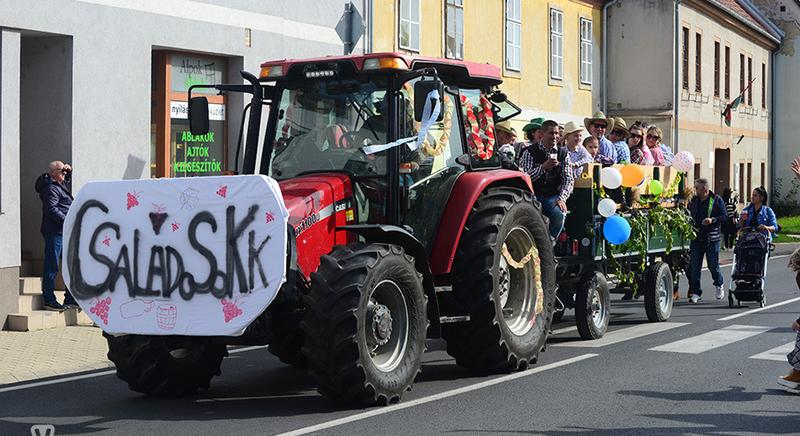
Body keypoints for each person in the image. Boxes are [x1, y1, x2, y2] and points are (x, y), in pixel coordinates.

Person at [518, 120, 574, 240]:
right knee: (529, 217)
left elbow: (568, 179)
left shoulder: (563, 153)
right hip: (532, 196)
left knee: (559, 213)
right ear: (542, 134)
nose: (554, 136)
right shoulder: (529, 152)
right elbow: (524, 177)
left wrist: (562, 198)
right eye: (551, 133)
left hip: (552, 196)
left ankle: (550, 243)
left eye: (556, 133)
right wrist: (543, 168)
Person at [34, 161, 79, 311]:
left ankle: (71, 299)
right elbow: (51, 209)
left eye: (65, 172)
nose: (64, 174)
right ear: (53, 173)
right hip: (54, 232)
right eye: (62, 171)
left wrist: (69, 171)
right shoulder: (50, 189)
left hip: (62, 232)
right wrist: (67, 221)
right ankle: (49, 300)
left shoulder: (58, 184)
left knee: (69, 266)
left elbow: (66, 181)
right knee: (52, 267)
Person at [687, 178, 728, 302]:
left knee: (713, 265)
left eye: (697, 188)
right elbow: (689, 213)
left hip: (712, 238)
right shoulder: (694, 200)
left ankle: (719, 284)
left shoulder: (716, 200)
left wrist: (712, 220)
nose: (695, 190)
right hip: (697, 237)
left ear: (705, 189)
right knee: (694, 266)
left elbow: (724, 216)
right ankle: (696, 292)